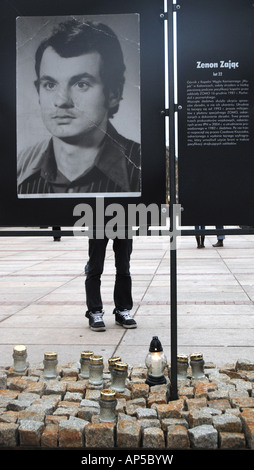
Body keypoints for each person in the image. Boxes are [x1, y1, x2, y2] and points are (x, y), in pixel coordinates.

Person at [17, 19, 141, 195]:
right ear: (39, 91)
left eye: (81, 84)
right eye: (50, 85)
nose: (61, 101)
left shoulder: (142, 167)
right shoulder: (19, 167)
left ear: (113, 93)